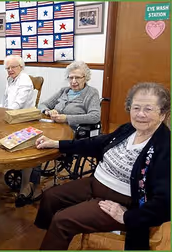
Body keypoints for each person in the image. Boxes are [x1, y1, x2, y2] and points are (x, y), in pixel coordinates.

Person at [34, 82, 170, 250]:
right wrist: (57, 144)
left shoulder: (165, 148)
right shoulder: (128, 129)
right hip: (95, 183)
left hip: (122, 200)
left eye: (148, 109)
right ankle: (53, 238)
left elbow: (165, 203)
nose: (140, 114)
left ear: (162, 114)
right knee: (50, 197)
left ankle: (56, 234)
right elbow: (97, 143)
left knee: (62, 221)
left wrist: (127, 216)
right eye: (136, 108)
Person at [0, 55, 41, 208]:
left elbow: (18, 104)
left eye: (13, 67)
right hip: (12, 117)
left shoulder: (24, 81)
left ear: (21, 67)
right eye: (7, 68)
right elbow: (5, 100)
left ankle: (25, 183)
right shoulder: (10, 79)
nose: (10, 70)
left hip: (23, 119)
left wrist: (4, 115)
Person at [39, 61, 100, 128]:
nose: (73, 81)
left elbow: (95, 116)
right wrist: (48, 111)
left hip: (74, 131)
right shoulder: (64, 91)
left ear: (85, 78)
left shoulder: (92, 93)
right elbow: (42, 105)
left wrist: (66, 118)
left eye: (77, 77)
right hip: (55, 127)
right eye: (71, 78)